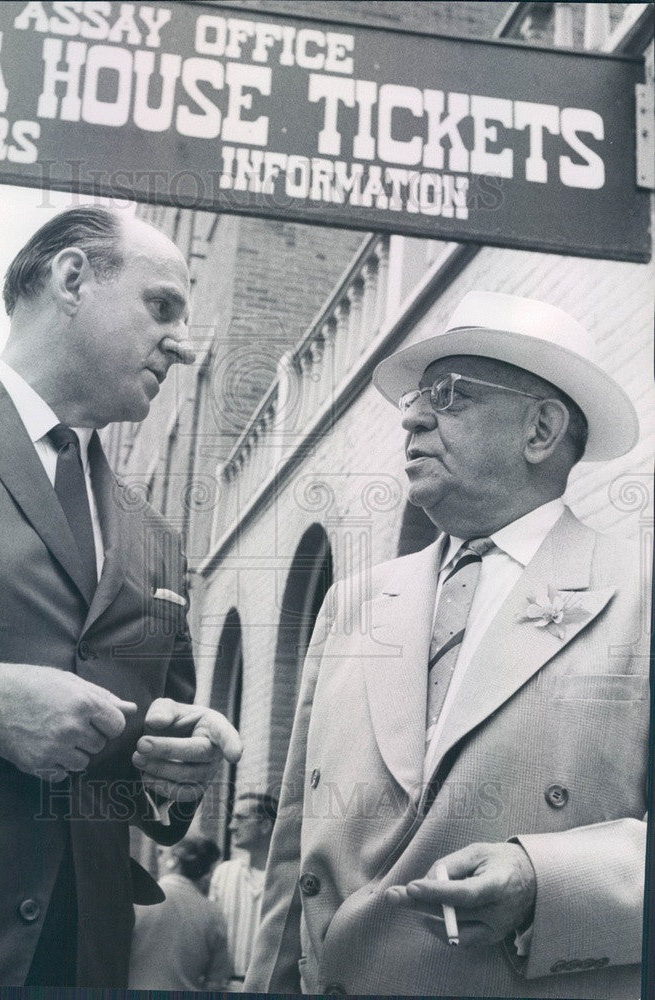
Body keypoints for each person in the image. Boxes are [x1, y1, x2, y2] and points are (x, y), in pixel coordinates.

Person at [0, 206, 242, 987]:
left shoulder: (157, 539)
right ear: (72, 278)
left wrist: (172, 767)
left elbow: (139, 789)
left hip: (84, 965)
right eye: (161, 306)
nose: (181, 342)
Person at [245, 291, 648, 998]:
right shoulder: (352, 602)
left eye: (449, 396)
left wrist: (546, 880)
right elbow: (293, 852)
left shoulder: (637, 591)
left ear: (540, 429)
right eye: (415, 398)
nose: (410, 416)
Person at [129, 835, 232, 989]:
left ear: (174, 861)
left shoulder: (138, 900)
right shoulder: (214, 913)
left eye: (161, 853)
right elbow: (216, 982)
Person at [208, 792, 278, 989]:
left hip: (271, 988)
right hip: (226, 986)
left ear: (265, 825)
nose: (231, 826)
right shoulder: (224, 873)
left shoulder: (289, 878)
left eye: (240, 818)